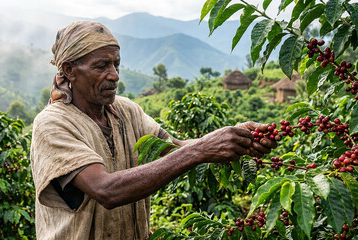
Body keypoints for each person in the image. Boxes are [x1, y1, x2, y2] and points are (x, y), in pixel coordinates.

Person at [30, 21, 277, 240]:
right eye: (101, 66)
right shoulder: (53, 125)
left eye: (116, 64)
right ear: (70, 70)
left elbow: (173, 148)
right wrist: (203, 149)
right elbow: (105, 190)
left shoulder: (126, 111)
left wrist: (234, 138)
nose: (114, 75)